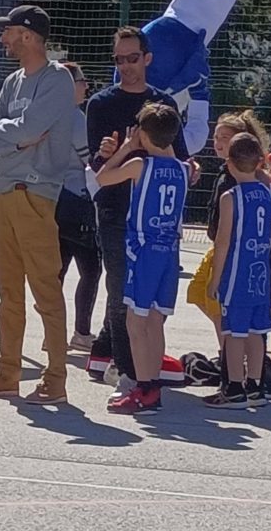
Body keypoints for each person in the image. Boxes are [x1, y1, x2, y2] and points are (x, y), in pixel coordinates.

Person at [0, 5, 74, 404]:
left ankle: (55, 377)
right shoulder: (13, 82)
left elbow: (28, 127)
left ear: (27, 35)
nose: (3, 39)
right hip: (5, 194)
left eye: (8, 32)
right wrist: (18, 139)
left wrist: (11, 135)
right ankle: (7, 372)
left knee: (45, 290)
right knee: (8, 292)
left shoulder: (57, 79)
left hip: (35, 193)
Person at [85, 26, 190, 400]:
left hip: (156, 224)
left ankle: (139, 370)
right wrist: (109, 151)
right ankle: (129, 370)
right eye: (119, 59)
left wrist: (189, 170)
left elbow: (180, 156)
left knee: (151, 306)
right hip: (117, 212)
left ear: (147, 58)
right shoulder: (101, 104)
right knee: (121, 292)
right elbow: (98, 167)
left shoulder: (163, 104)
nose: (125, 66)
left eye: (132, 58)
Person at [96, 103, 189, 415]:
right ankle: (153, 387)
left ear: (143, 134)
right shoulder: (183, 169)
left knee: (135, 322)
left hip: (144, 250)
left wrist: (126, 147)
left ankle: (143, 385)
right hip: (169, 252)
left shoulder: (140, 165)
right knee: (155, 322)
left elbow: (102, 178)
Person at [204, 132, 271, 409]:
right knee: (257, 331)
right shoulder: (266, 193)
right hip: (261, 273)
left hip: (237, 273)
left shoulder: (231, 197)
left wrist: (215, 279)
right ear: (259, 162)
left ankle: (234, 387)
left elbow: (222, 242)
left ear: (230, 164)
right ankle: (255, 386)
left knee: (233, 332)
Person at [187, 110, 270, 345]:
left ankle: (229, 350)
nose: (218, 142)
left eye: (225, 137)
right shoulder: (226, 171)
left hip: (232, 249)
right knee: (197, 291)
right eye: (216, 137)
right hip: (216, 245)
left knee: (218, 301)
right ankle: (229, 346)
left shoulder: (246, 178)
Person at [56, 61, 103, 351]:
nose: (86, 86)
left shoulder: (48, 115)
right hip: (77, 198)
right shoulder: (76, 119)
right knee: (91, 269)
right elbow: (92, 161)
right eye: (81, 81)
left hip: (53, 198)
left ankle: (53, 334)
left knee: (57, 271)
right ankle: (81, 332)